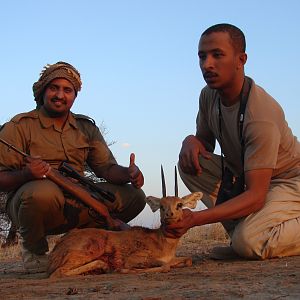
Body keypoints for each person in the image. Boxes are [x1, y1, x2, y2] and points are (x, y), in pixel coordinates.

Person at [165, 23, 300, 260]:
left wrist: (195, 219)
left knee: (250, 241)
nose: (207, 64)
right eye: (202, 56)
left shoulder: (261, 116)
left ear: (241, 60)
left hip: (288, 180)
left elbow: (257, 194)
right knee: (190, 164)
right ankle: (242, 234)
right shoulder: (209, 95)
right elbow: (204, 146)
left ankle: (248, 237)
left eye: (217, 55)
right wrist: (191, 141)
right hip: (249, 176)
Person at [0, 61, 146, 273]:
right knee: (41, 192)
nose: (60, 95)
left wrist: (128, 173)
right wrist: (26, 174)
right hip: (37, 203)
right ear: (43, 91)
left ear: (75, 95)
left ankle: (94, 246)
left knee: (134, 196)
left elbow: (106, 169)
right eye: (54, 88)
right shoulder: (19, 126)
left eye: (67, 90)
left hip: (79, 199)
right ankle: (34, 252)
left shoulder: (86, 128)